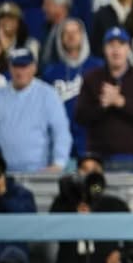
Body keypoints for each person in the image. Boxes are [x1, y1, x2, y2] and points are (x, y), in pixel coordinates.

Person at [0, 48, 70, 173]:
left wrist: (59, 162)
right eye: (16, 66)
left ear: (34, 68)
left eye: (24, 66)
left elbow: (61, 131)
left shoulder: (48, 95)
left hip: (39, 173)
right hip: (1, 174)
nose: (20, 71)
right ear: (10, 68)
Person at [76, 27, 133, 172]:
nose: (116, 50)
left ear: (128, 48)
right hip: (98, 159)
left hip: (132, 158)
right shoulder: (91, 78)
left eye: (121, 45)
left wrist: (121, 102)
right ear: (104, 49)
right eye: (111, 45)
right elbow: (80, 116)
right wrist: (103, 106)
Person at [42, 18, 103, 161]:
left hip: (92, 142)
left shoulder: (98, 67)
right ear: (60, 38)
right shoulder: (50, 72)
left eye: (75, 32)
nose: (71, 36)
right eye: (66, 32)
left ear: (83, 36)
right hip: (61, 144)